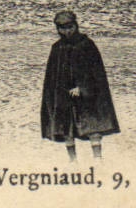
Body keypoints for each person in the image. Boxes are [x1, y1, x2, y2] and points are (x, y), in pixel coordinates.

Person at [40, 10, 120, 162]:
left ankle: (98, 159)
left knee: (93, 126)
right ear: (58, 29)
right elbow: (52, 77)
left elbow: (96, 71)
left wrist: (82, 87)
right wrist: (58, 94)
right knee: (66, 127)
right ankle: (72, 161)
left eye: (70, 27)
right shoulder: (57, 48)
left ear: (76, 26)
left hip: (88, 94)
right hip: (64, 95)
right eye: (62, 28)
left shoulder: (86, 45)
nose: (67, 31)